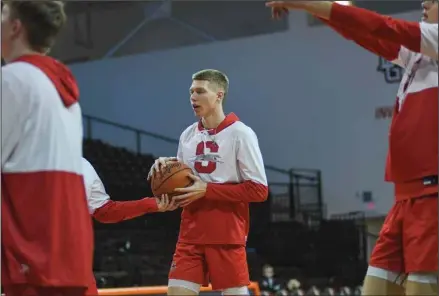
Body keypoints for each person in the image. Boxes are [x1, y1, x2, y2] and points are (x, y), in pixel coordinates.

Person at [266, 1, 438, 296]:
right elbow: (362, 31)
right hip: (405, 197)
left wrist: (304, 2)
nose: (424, 2)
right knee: (374, 289)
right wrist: (314, 8)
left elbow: (381, 25)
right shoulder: (417, 56)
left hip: (431, 196)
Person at [148, 69, 269, 295]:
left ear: (219, 95)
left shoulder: (241, 134)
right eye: (191, 91)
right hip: (190, 234)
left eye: (200, 91)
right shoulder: (187, 135)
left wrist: (208, 190)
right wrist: (166, 168)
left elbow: (259, 191)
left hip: (227, 235)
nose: (193, 97)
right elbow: (182, 182)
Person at [1, 1, 93, 296]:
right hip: (67, 246)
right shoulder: (63, 86)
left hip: (30, 245)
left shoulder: (13, 79)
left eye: (2, 12)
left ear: (16, 27)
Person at [82, 157, 178, 295]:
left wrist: (150, 204)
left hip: (78, 269)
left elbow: (104, 211)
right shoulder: (40, 162)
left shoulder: (82, 165)